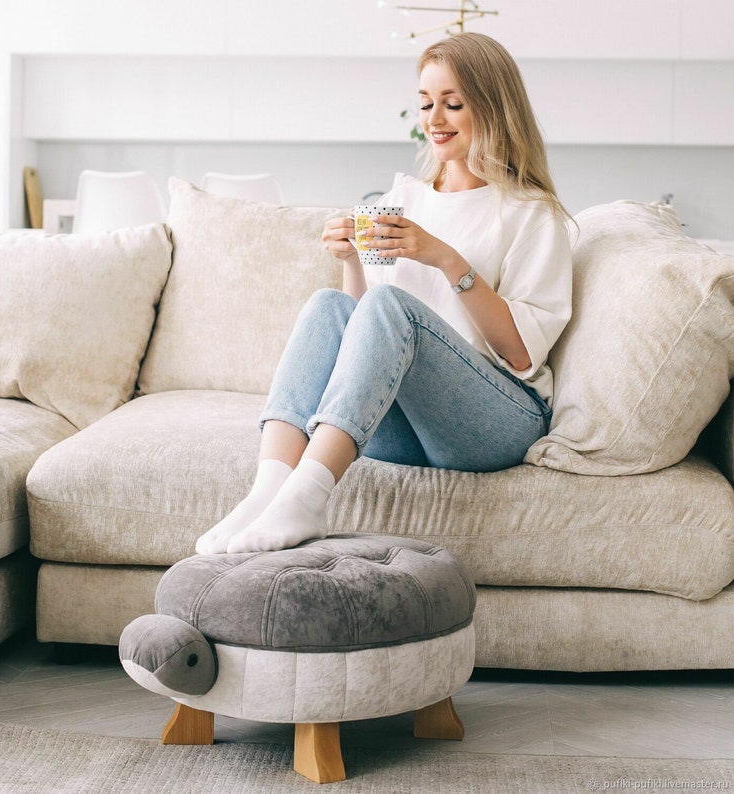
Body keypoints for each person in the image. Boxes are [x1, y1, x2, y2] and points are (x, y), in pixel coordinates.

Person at [196, 32, 573, 556]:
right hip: (410, 430)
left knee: (393, 307)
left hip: (498, 422)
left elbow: (522, 353)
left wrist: (445, 258)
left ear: (492, 107)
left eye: (452, 104)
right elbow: (365, 323)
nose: (434, 119)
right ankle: (268, 492)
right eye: (425, 104)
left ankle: (309, 496)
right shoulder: (405, 199)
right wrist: (350, 258)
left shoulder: (532, 212)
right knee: (329, 306)